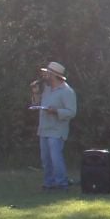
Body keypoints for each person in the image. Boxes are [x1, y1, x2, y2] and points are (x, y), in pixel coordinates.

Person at [32, 61, 77, 191]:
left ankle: (62, 183)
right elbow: (37, 103)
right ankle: (49, 183)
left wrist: (56, 111)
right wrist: (35, 93)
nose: (44, 76)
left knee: (55, 157)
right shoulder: (46, 89)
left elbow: (72, 112)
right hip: (44, 128)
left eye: (47, 74)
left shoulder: (67, 91)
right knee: (45, 159)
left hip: (57, 130)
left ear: (54, 75)